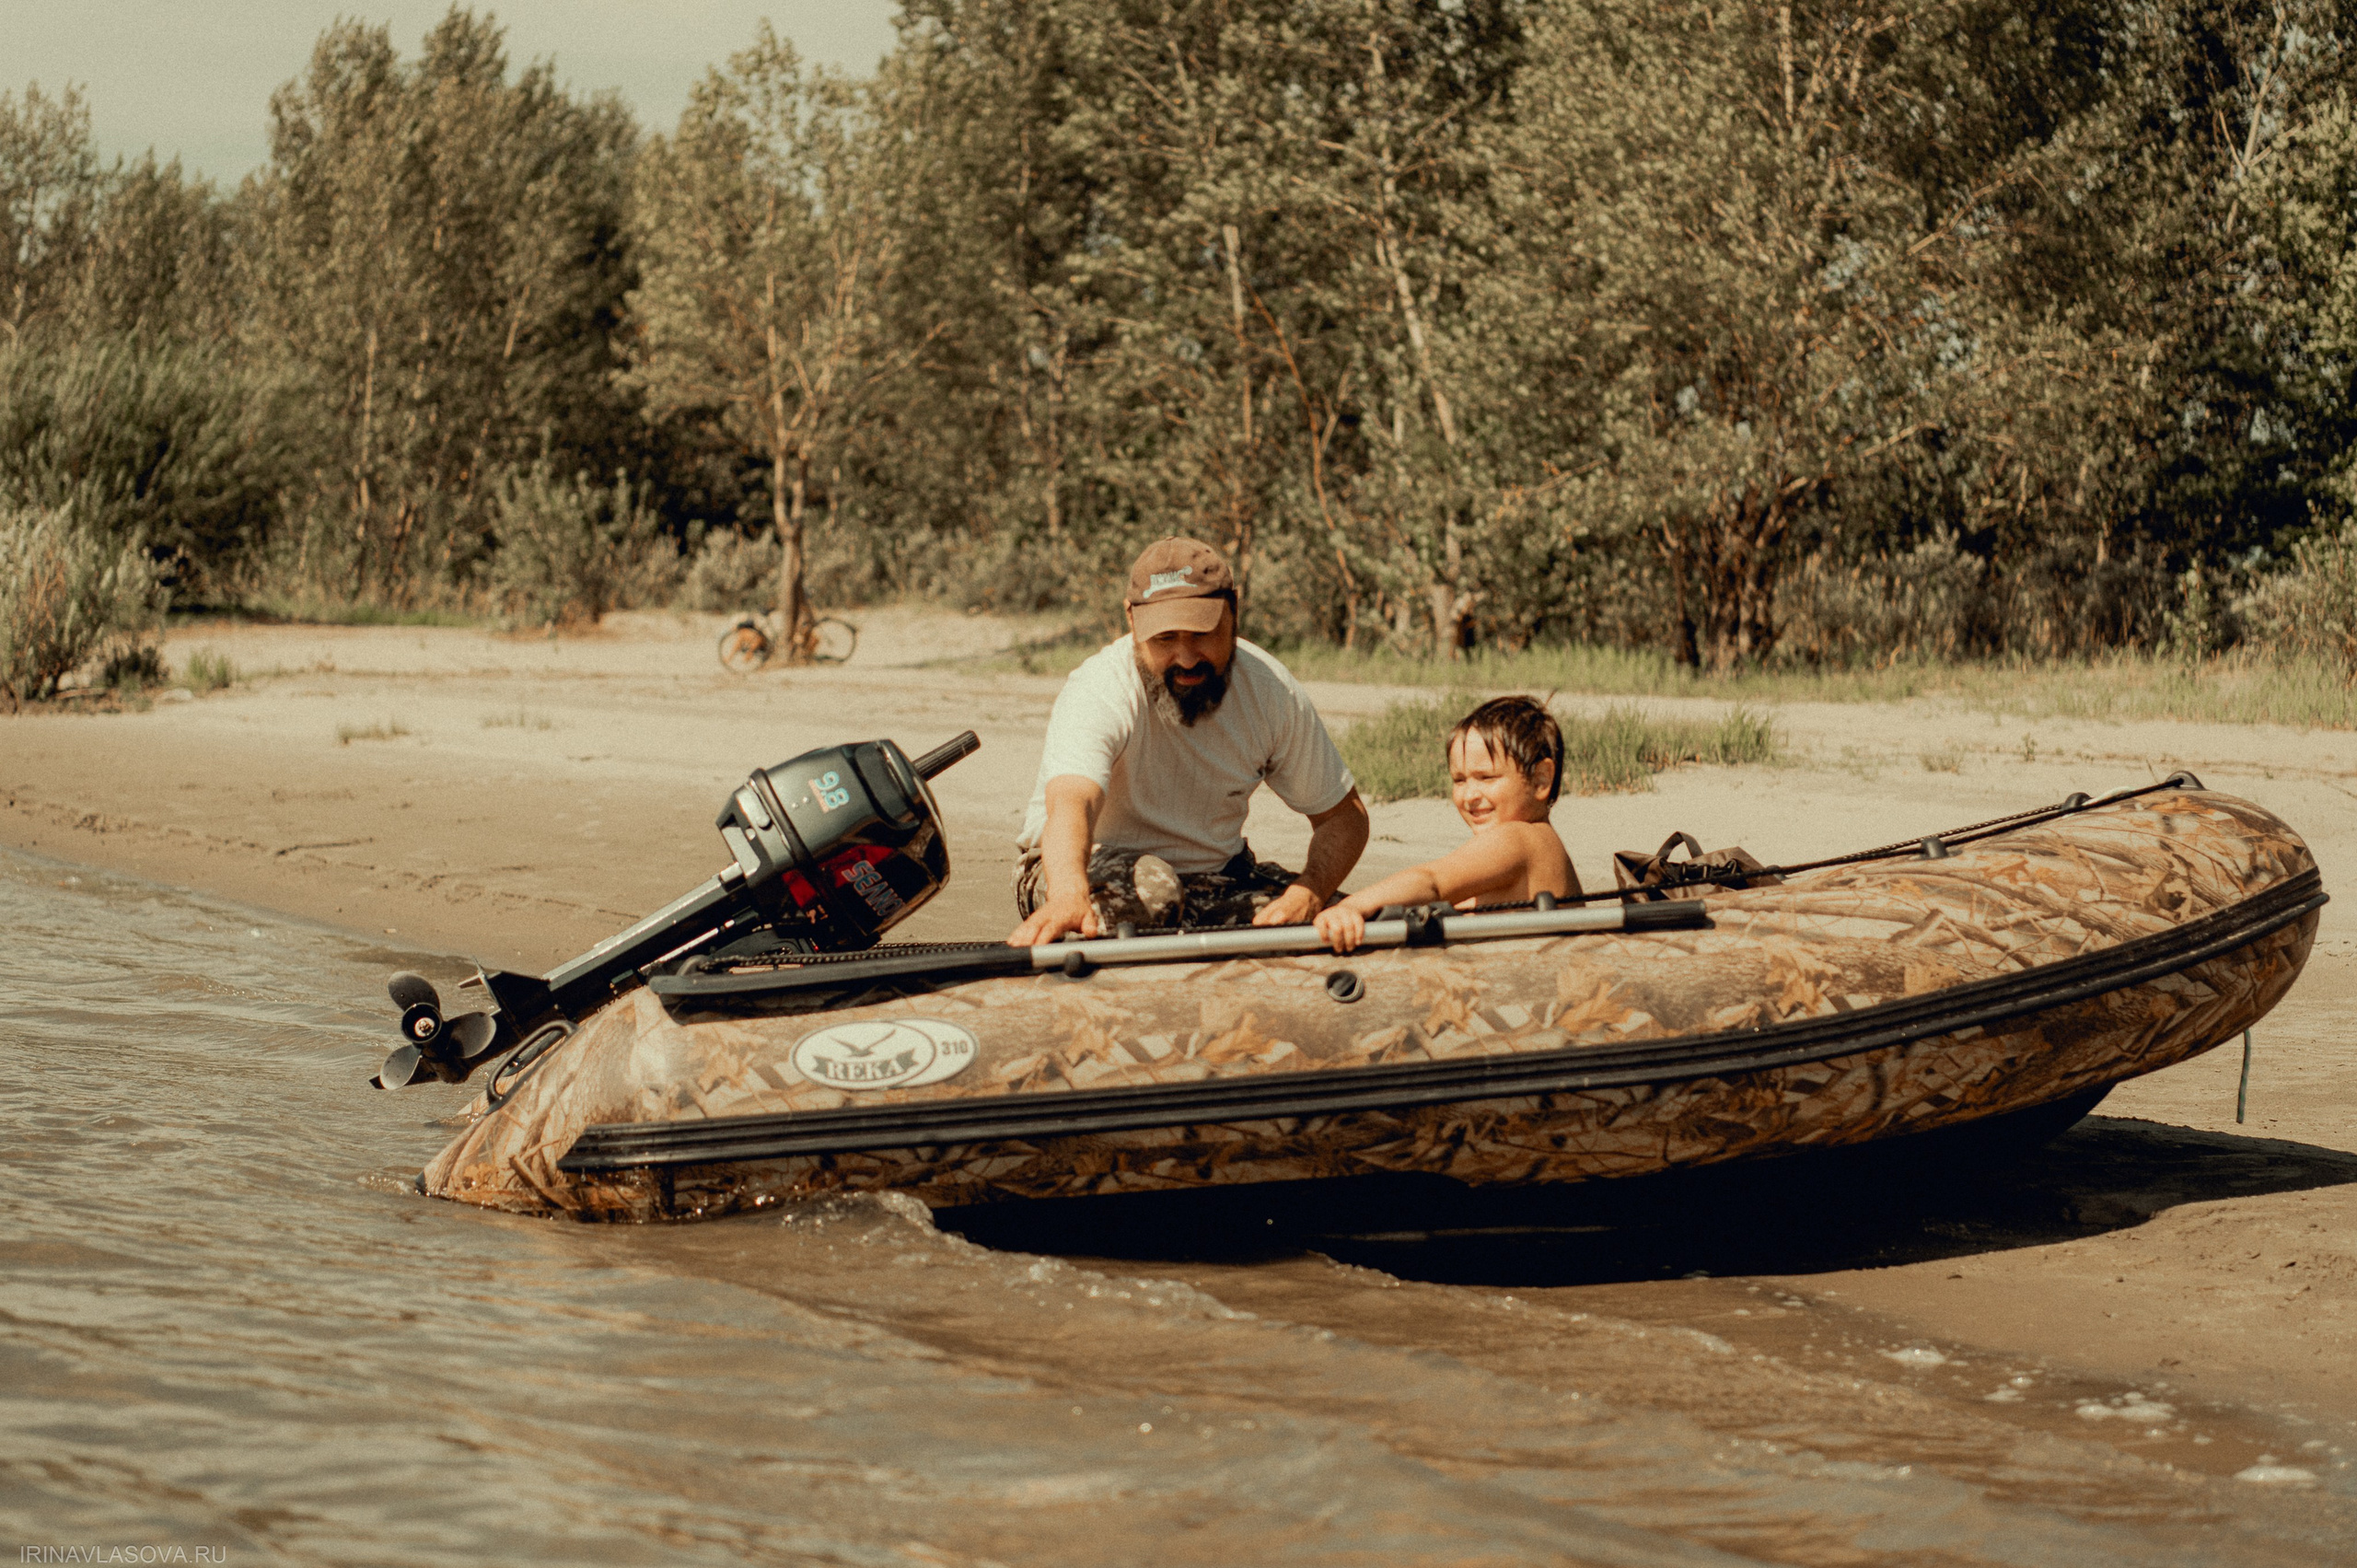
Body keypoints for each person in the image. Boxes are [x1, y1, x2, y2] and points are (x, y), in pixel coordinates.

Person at [1007, 537, 1369, 945]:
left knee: (1358, 922)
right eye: (1164, 638)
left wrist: (1311, 891)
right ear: (1131, 620)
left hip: (1217, 879)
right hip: (1077, 871)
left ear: (1233, 611)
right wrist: (1069, 895)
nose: (1186, 658)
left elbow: (1344, 816)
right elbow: (1073, 801)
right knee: (1154, 895)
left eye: (1202, 633)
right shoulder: (1100, 688)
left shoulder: (1270, 690)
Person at [1314, 694, 1580, 955]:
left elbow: (1432, 881)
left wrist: (1351, 907)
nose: (1470, 795)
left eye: (1486, 778)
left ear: (1541, 780)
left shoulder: (1519, 839)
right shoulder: (1544, 843)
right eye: (1460, 780)